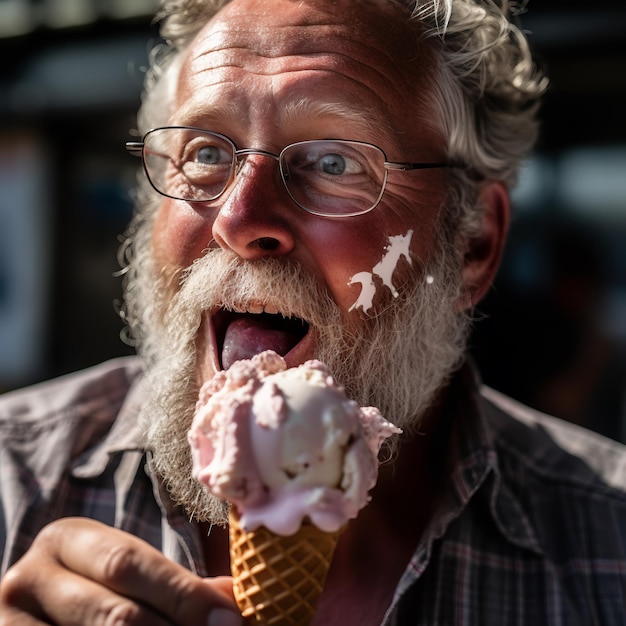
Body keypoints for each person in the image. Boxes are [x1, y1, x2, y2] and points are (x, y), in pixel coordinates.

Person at [1, 0, 625, 624]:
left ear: (473, 244)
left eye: (334, 163)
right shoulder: (13, 484)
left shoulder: (609, 546)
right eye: (206, 154)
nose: (240, 220)